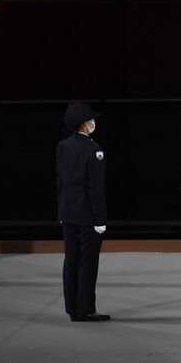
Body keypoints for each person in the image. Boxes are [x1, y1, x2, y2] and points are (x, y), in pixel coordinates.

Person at [57, 101, 109, 322]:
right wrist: (100, 220)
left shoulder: (62, 146)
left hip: (68, 213)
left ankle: (72, 308)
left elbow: (61, 182)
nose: (93, 122)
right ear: (85, 124)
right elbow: (95, 189)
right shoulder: (93, 151)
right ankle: (86, 308)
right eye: (91, 120)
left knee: (71, 260)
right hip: (87, 216)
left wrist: (61, 211)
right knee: (88, 262)